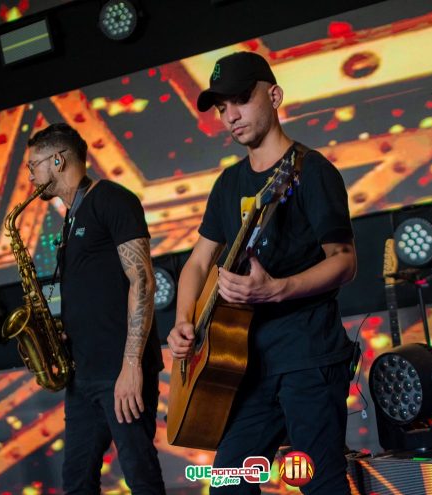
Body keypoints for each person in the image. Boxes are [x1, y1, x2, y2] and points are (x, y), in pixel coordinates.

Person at [167, 51, 357, 494]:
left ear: (274, 96)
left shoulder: (312, 171)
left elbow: (345, 261)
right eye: (221, 108)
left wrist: (277, 290)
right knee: (230, 482)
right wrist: (183, 320)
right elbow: (197, 262)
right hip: (246, 367)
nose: (230, 116)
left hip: (308, 357)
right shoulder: (228, 184)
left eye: (240, 100)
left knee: (320, 483)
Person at [26, 123, 165, 494]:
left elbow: (144, 281)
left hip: (120, 372)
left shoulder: (113, 200)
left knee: (141, 476)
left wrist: (132, 366)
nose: (30, 176)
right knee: (76, 484)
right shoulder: (71, 216)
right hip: (82, 375)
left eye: (33, 166)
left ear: (58, 160)